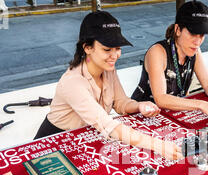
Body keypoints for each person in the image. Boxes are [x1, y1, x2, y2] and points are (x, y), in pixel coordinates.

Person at [34, 10, 182, 161]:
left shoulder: (108, 69)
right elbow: (108, 126)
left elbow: (120, 103)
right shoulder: (73, 82)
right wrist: (158, 145)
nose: (115, 55)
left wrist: (139, 106)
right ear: (87, 48)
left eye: (118, 48)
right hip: (52, 145)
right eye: (107, 49)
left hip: (84, 139)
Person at [131, 1, 208, 122]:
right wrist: (202, 105)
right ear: (178, 29)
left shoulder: (195, 50)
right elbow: (161, 98)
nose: (197, 41)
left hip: (172, 114)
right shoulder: (157, 52)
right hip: (142, 116)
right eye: (193, 33)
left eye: (202, 35)